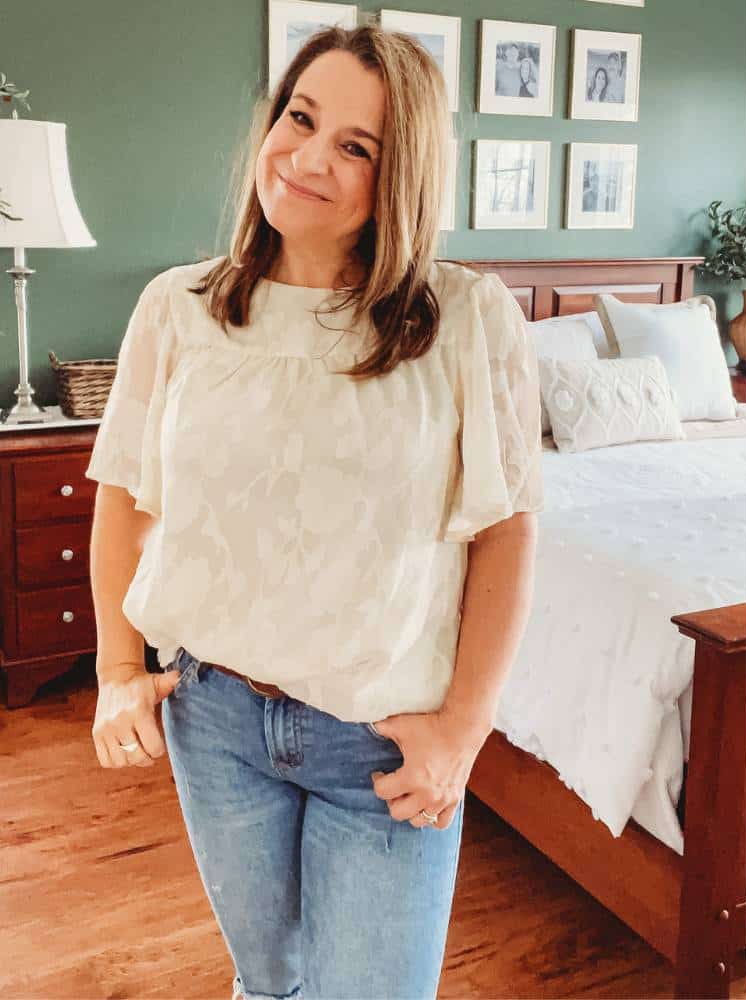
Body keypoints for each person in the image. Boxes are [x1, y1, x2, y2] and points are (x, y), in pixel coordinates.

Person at [88, 21, 544, 1000]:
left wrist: (465, 730)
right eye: (302, 116)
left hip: (381, 739)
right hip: (212, 717)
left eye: (356, 145)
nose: (306, 156)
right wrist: (117, 669)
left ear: (401, 176)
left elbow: (507, 528)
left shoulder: (466, 320)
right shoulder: (179, 309)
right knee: (270, 983)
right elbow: (124, 495)